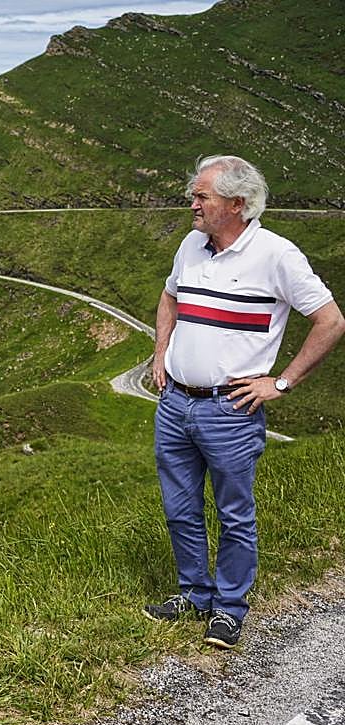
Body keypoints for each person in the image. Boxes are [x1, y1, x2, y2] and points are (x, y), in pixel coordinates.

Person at [145, 155, 345, 649]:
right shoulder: (192, 245)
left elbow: (331, 321)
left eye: (201, 196)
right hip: (176, 403)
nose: (192, 203)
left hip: (230, 410)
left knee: (234, 512)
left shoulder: (278, 255)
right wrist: (160, 353)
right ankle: (193, 593)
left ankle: (229, 608)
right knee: (180, 507)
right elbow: (170, 297)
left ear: (236, 204)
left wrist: (280, 384)